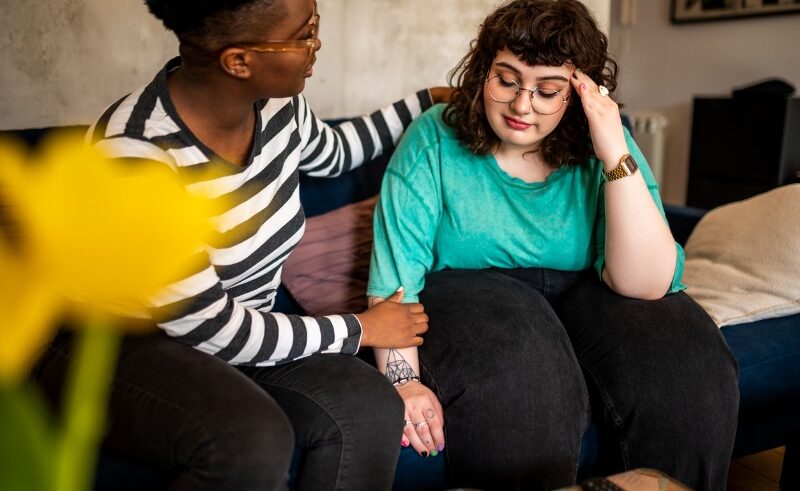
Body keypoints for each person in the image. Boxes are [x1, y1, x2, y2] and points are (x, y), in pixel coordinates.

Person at [31, 0, 452, 490]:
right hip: (118, 346)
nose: (316, 45)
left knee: (368, 405)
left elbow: (337, 153)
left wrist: (431, 98)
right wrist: (361, 329)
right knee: (251, 438)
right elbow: (214, 328)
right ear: (238, 61)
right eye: (304, 34)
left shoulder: (277, 104)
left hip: (240, 333)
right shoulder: (137, 156)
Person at [367, 1, 739, 490]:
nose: (523, 106)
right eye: (506, 80)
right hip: (471, 292)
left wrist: (612, 149)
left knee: (689, 367)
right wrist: (402, 381)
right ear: (482, 73)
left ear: (579, 94)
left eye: (548, 91)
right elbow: (396, 282)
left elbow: (645, 284)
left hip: (588, 290)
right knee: (525, 376)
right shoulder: (435, 135)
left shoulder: (604, 144)